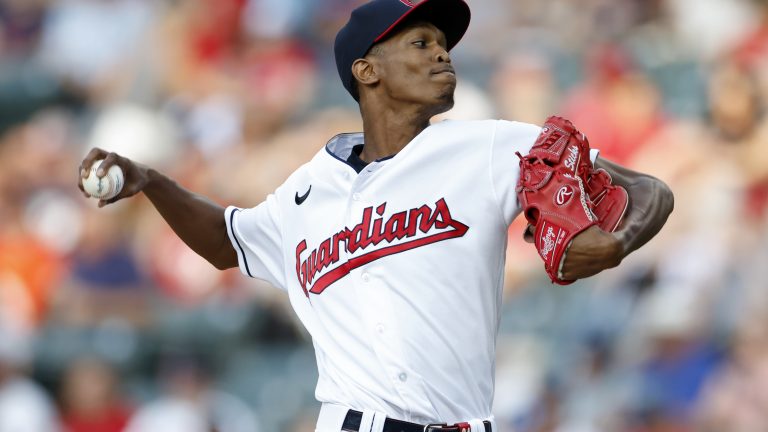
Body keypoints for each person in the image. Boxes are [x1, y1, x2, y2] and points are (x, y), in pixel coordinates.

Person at [77, 1, 674, 431]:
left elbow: (649, 190)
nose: (441, 51)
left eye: (443, 42)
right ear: (367, 70)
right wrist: (151, 182)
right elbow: (227, 242)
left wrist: (618, 242)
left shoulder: (491, 146)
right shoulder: (306, 190)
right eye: (420, 42)